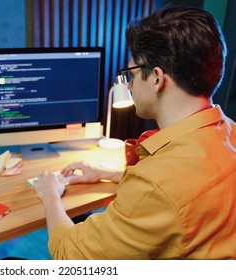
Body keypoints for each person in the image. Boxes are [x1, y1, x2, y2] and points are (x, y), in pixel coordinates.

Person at [34, 6, 236, 259]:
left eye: (131, 74)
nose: (128, 85)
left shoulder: (157, 184)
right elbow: (187, 189)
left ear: (156, 78)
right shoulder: (228, 131)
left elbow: (68, 256)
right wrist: (106, 173)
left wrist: (49, 193)